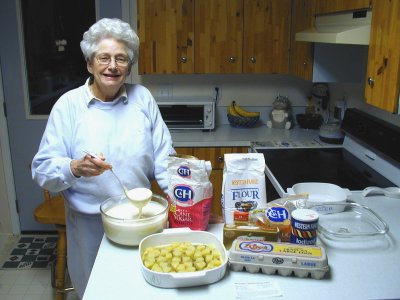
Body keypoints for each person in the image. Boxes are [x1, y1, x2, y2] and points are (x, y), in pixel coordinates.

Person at [31, 18, 175, 298]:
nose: (112, 66)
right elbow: (42, 170)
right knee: (96, 290)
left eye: (121, 58)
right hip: (88, 224)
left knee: (139, 288)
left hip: (141, 219)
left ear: (129, 67)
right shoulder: (68, 105)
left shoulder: (142, 98)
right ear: (89, 64)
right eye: (104, 58)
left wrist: (181, 199)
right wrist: (74, 168)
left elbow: (165, 159)